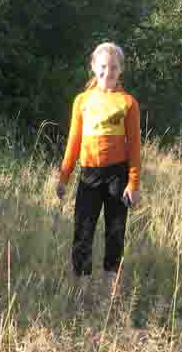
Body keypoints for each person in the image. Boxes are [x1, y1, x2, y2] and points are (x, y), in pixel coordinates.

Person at [55, 42, 142, 287]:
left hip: (118, 176)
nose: (108, 72)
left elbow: (134, 146)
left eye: (114, 67)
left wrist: (133, 183)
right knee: (83, 230)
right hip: (89, 175)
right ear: (94, 67)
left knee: (115, 232)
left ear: (120, 70)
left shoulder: (128, 103)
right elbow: (73, 140)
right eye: (103, 66)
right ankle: (81, 289)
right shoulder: (82, 101)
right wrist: (64, 177)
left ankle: (109, 290)